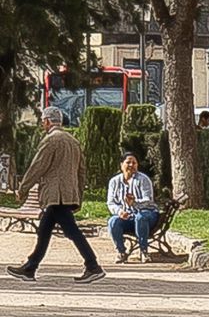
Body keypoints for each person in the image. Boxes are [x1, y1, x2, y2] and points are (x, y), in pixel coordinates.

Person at [6, 106, 104, 284]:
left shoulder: (51, 140)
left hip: (55, 194)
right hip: (67, 194)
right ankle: (30, 267)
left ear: (47, 121)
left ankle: (93, 265)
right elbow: (82, 172)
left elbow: (38, 166)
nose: (43, 124)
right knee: (44, 230)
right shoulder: (73, 141)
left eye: (43, 121)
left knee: (72, 231)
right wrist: (78, 196)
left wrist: (23, 188)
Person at [106, 152, 159, 263]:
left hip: (147, 214)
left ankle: (144, 252)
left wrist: (134, 203)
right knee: (113, 221)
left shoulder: (143, 179)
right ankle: (121, 252)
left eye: (134, 163)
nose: (131, 165)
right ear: (121, 165)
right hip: (128, 217)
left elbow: (148, 200)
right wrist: (120, 212)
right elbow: (111, 202)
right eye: (128, 162)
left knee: (141, 217)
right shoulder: (114, 182)